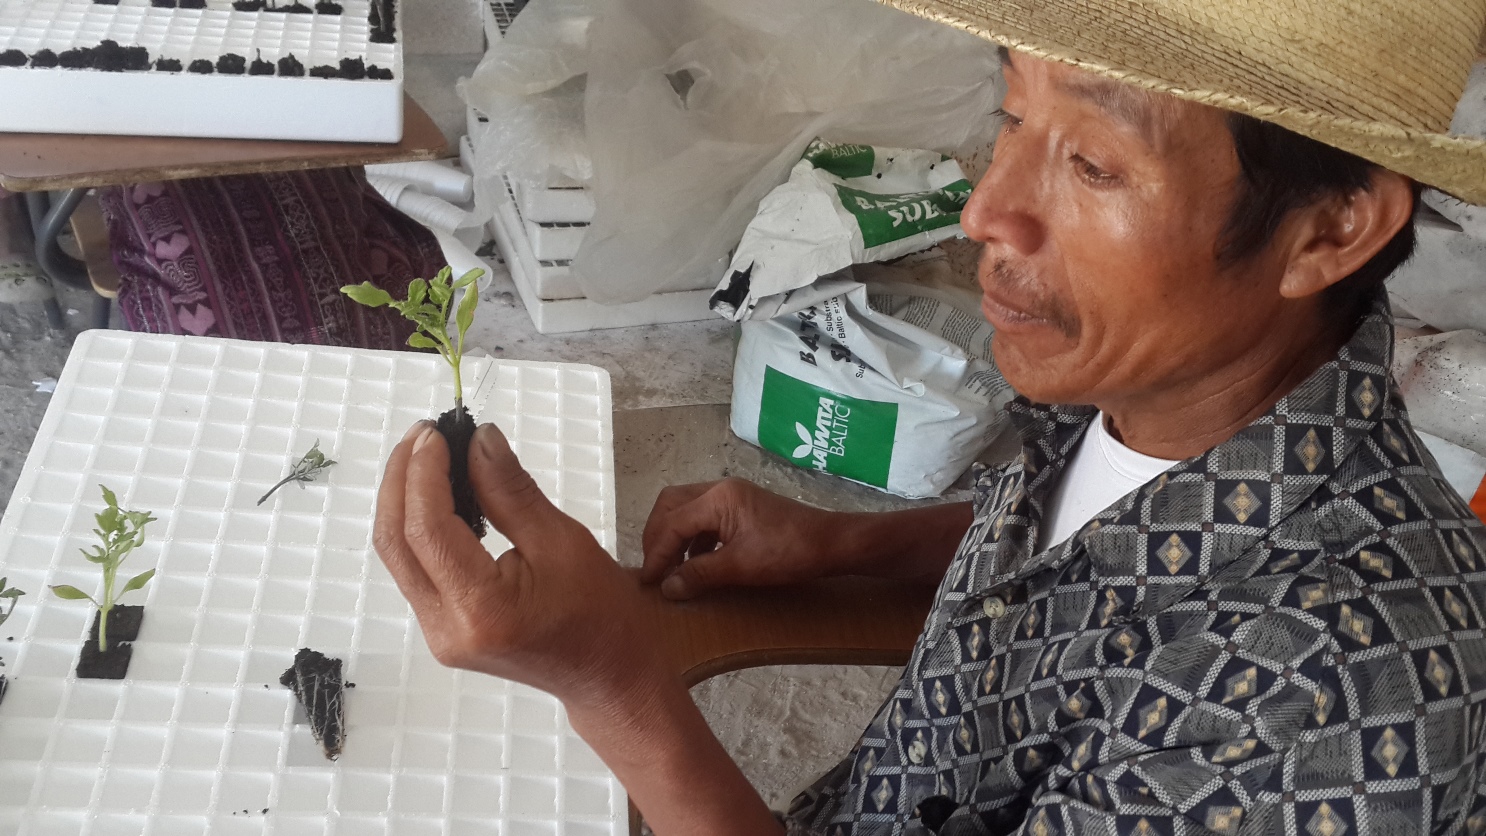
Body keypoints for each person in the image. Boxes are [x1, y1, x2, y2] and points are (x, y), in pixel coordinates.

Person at [371, 0, 1486, 832]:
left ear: (1327, 231)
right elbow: (1094, 567)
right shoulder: (1157, 392)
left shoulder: (1327, 699)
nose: (986, 208)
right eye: (1011, 116)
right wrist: (844, 543)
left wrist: (610, 683)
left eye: (1092, 163)